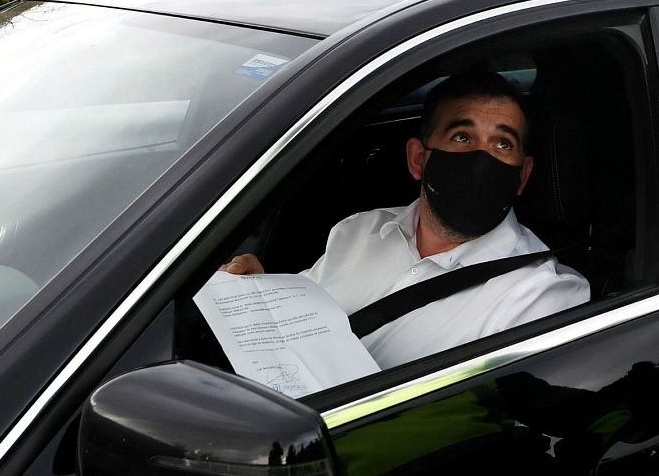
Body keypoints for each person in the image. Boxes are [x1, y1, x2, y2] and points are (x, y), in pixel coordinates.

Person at [221, 69, 589, 369]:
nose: (482, 158)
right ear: (418, 159)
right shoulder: (357, 232)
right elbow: (300, 327)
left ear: (522, 176)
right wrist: (258, 293)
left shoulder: (542, 297)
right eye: (462, 136)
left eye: (502, 144)